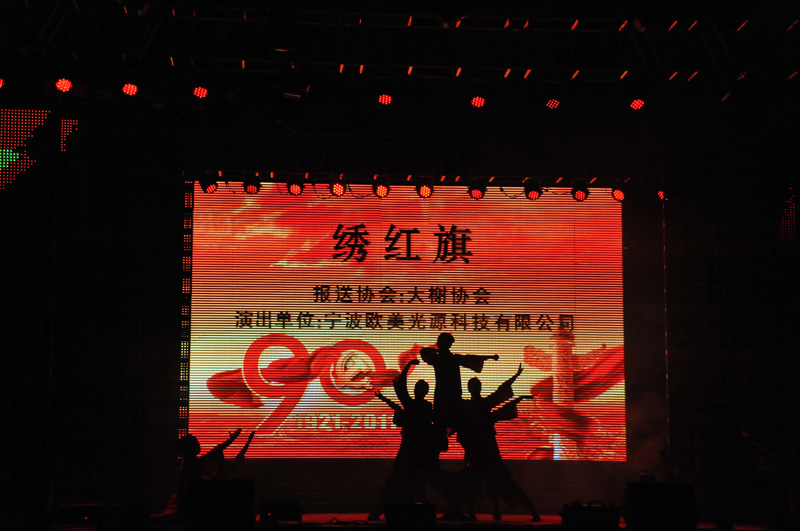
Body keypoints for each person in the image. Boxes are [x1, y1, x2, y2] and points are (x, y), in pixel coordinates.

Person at [369, 359, 460, 520]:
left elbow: (401, 388)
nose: (420, 391)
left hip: (420, 448)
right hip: (411, 447)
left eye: (422, 389)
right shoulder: (413, 404)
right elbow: (401, 384)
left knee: (416, 479)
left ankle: (406, 509)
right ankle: (380, 509)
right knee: (400, 478)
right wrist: (408, 365)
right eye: (419, 388)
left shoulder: (424, 407)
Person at [458, 368, 541, 522]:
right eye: (474, 386)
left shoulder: (475, 406)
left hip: (482, 449)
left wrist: (515, 381)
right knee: (486, 481)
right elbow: (500, 394)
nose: (474, 389)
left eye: (475, 386)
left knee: (483, 481)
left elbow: (500, 393)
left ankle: (481, 511)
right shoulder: (476, 406)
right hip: (481, 449)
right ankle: (484, 511)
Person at [152, 429, 249, 522]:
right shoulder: (191, 463)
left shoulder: (190, 462)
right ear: (191, 448)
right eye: (196, 443)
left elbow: (214, 453)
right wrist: (232, 440)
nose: (199, 445)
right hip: (184, 504)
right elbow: (214, 452)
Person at [419, 332, 499, 431]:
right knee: (447, 424)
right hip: (448, 396)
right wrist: (440, 350)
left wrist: (439, 350)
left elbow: (472, 358)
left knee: (445, 425)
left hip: (447, 396)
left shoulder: (440, 358)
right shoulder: (447, 358)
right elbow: (423, 351)